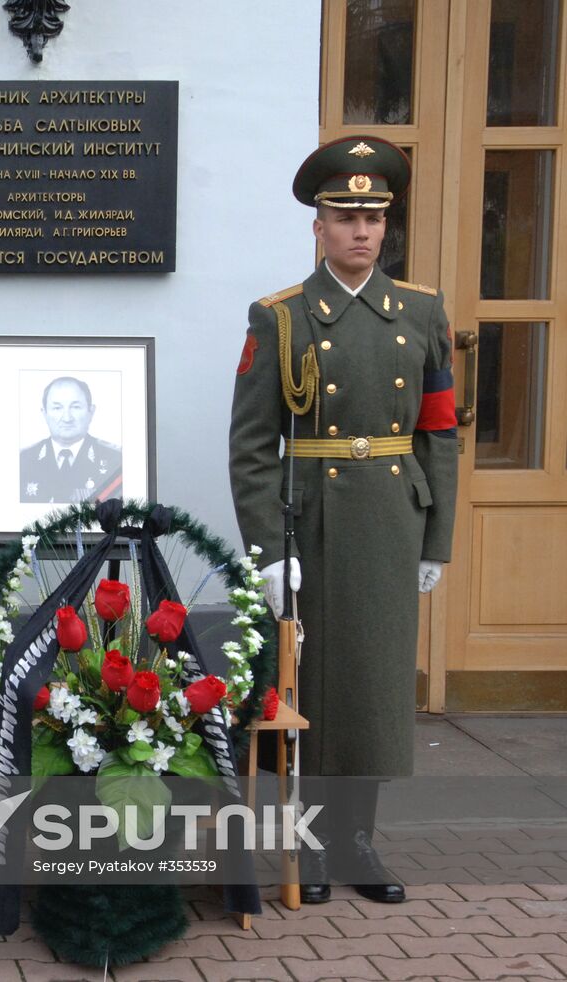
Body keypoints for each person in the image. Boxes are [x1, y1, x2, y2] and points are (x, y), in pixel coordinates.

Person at [228, 135, 457, 904]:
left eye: (373, 217)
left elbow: (439, 433)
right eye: (344, 215)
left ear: (386, 226)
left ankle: (359, 841)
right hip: (313, 525)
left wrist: (438, 539)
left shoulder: (421, 312)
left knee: (379, 689)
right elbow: (253, 447)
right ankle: (311, 843)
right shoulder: (282, 319)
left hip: (393, 518)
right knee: (316, 690)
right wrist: (265, 548)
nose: (361, 230)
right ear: (317, 226)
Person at [19, 376, 122, 503]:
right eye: (57, 408)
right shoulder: (23, 460)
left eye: (75, 407)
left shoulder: (116, 459)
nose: (67, 418)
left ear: (91, 411)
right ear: (44, 413)